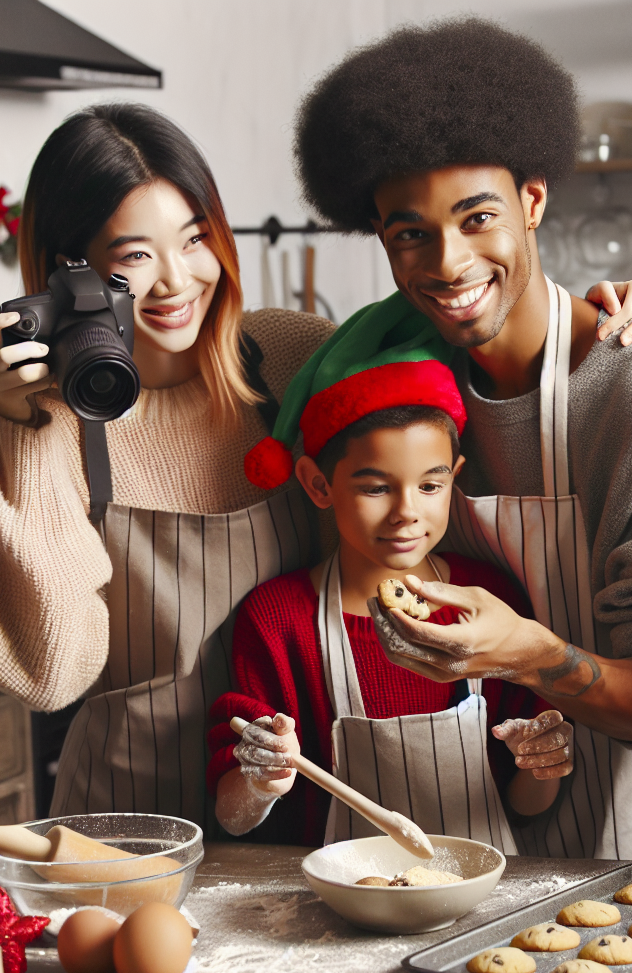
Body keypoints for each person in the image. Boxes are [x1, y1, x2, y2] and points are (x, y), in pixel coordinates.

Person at [0, 100, 632, 825]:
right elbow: (53, 677)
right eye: (135, 257)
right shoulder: (45, 427)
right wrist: (22, 425)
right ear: (72, 272)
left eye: (194, 239)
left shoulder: (289, 356)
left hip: (297, 821)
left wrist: (593, 322)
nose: (179, 281)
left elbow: (468, 332)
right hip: (130, 822)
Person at [261, 19, 632, 861]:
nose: (449, 263)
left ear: (533, 200)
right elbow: (228, 346)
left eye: (477, 216)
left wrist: (529, 653)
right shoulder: (394, 377)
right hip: (460, 860)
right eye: (410, 232)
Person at [209, 294, 573, 849]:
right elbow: (232, 816)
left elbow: (524, 809)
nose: (408, 512)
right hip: (338, 902)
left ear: (455, 476)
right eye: (376, 487)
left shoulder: (490, 601)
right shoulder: (278, 619)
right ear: (317, 484)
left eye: (430, 485)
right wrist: (262, 778)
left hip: (482, 895)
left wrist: (539, 761)